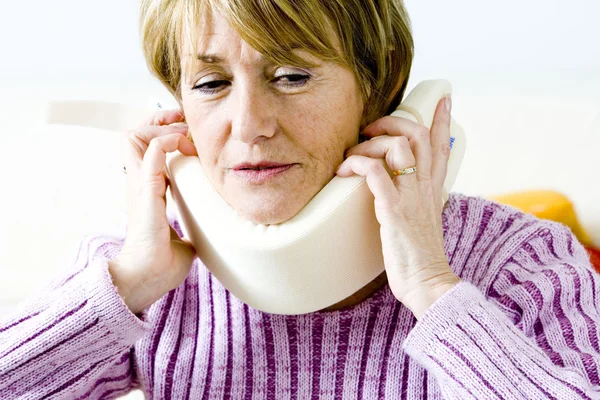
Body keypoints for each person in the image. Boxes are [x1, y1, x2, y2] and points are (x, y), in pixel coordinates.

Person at [1, 0, 599, 398]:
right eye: (211, 85)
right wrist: (128, 285)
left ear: (378, 91)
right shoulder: (139, 279)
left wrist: (434, 289)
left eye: (292, 75)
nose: (250, 124)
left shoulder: (524, 262)